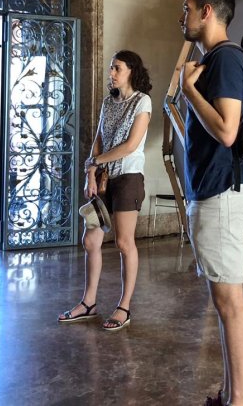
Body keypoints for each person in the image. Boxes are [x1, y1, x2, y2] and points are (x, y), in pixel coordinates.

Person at [178, 0, 243, 406]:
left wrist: (189, 92)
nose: (181, 15)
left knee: (230, 303)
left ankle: (240, 400)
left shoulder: (225, 59)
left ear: (206, 10)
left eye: (186, 8)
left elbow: (226, 130)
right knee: (224, 301)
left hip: (223, 192)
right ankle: (231, 394)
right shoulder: (216, 60)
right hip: (215, 190)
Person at [58, 50, 152, 331]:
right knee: (90, 241)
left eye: (117, 68)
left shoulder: (142, 101)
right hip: (102, 179)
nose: (111, 73)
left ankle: (124, 306)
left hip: (128, 178)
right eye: (111, 68)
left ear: (131, 71)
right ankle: (89, 303)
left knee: (124, 243)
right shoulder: (108, 103)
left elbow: (130, 146)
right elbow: (97, 140)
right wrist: (90, 172)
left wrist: (96, 162)